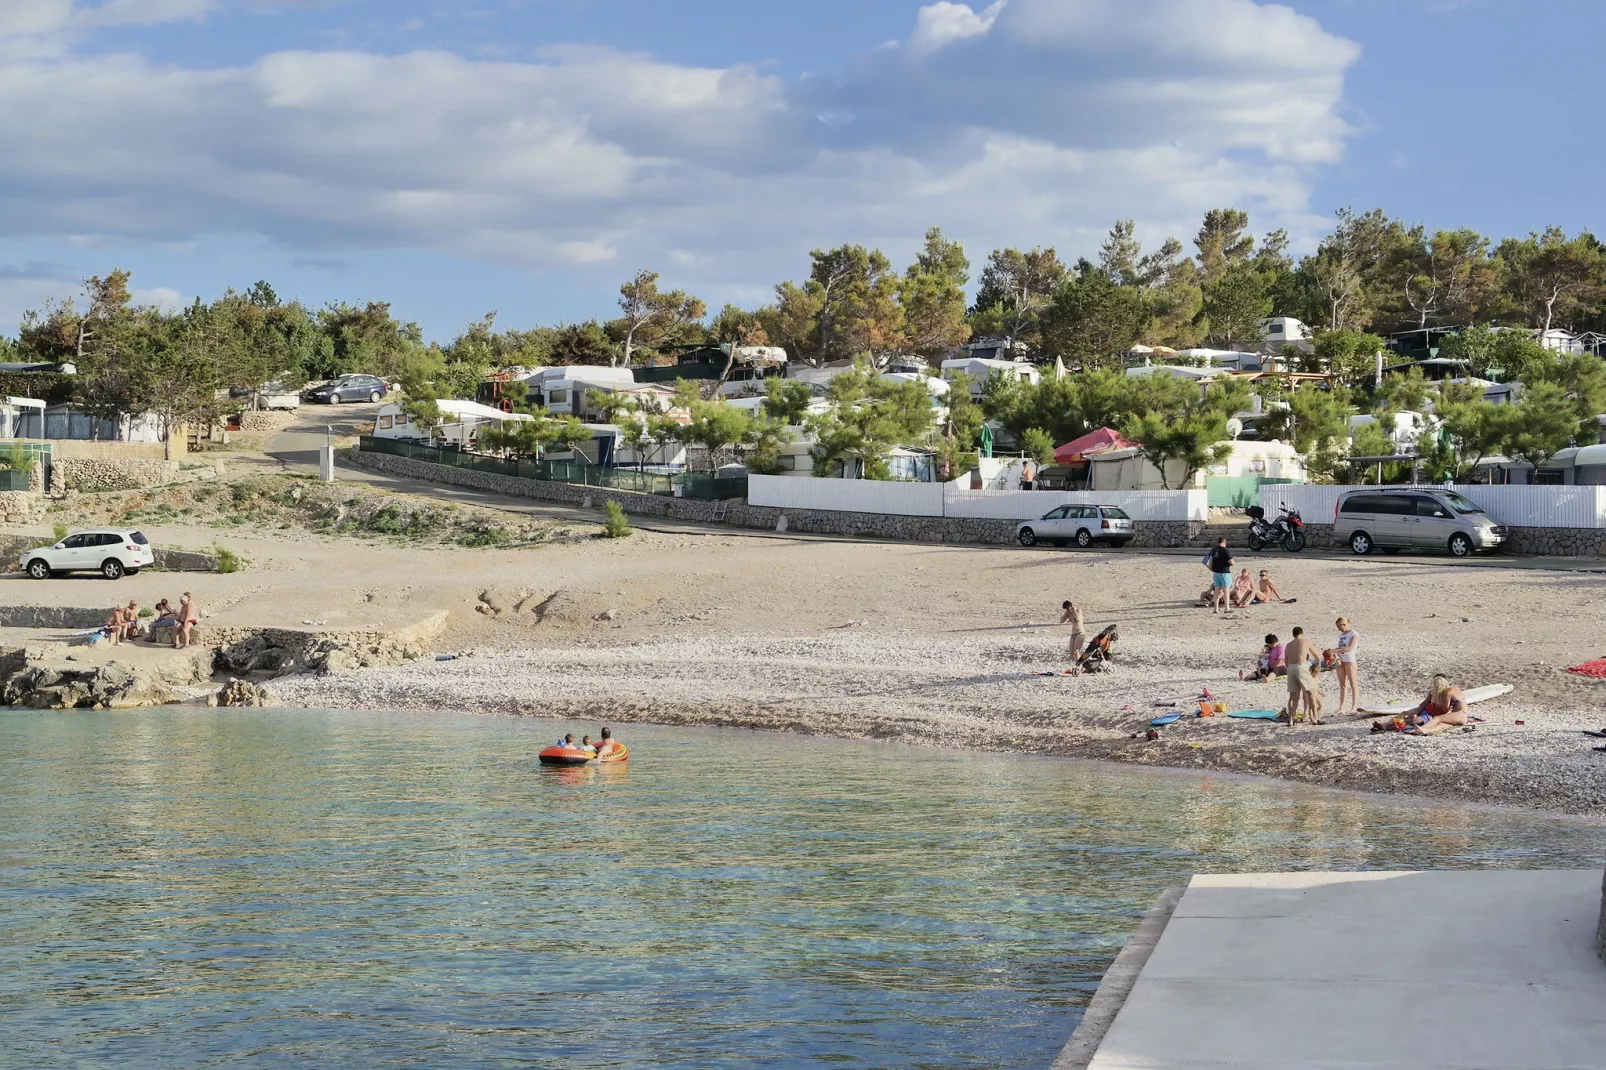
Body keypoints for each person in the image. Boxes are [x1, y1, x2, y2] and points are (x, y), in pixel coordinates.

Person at [1405, 675, 1469, 735]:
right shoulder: (1455, 688)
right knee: (1441, 724)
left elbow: (1445, 709)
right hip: (1461, 715)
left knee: (1437, 718)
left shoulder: (1447, 692)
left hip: (1460, 714)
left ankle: (1422, 729)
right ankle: (1426, 730)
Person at [1283, 626, 1319, 724]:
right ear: (1302, 634)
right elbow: (1317, 656)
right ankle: (1314, 718)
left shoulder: (1288, 645)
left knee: (1293, 695)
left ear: (1293, 635)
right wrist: (1317, 669)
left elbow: (1286, 662)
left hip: (1290, 668)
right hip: (1301, 666)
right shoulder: (1305, 641)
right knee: (1310, 693)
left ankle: (1291, 719)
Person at [1326, 617, 1360, 715]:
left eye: (1339, 627)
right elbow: (1340, 647)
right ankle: (1342, 707)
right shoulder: (1340, 635)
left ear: (1344, 625)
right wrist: (1332, 651)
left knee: (1353, 684)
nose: (1338, 630)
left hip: (1349, 661)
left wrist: (1335, 651)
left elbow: (1349, 648)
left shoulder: (1354, 634)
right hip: (1340, 661)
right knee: (1343, 685)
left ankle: (1354, 707)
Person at [1205, 538, 1233, 615]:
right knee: (1226, 591)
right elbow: (1231, 562)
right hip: (1225, 573)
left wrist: (1212, 569)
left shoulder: (1213, 550)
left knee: (1216, 592)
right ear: (1225, 542)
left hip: (1216, 573)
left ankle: (1216, 609)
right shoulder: (1225, 550)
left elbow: (1205, 561)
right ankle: (1227, 608)